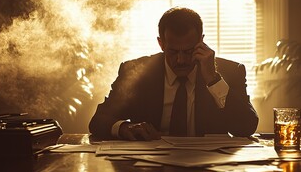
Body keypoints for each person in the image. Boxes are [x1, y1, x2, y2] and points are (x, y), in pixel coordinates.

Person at [89, 7, 258, 140]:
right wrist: (124, 128)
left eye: (188, 51)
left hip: (210, 171)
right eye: (173, 51)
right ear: (161, 43)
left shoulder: (230, 72)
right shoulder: (136, 71)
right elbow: (98, 121)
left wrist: (213, 80)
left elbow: (247, 126)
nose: (181, 60)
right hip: (149, 169)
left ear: (201, 41)